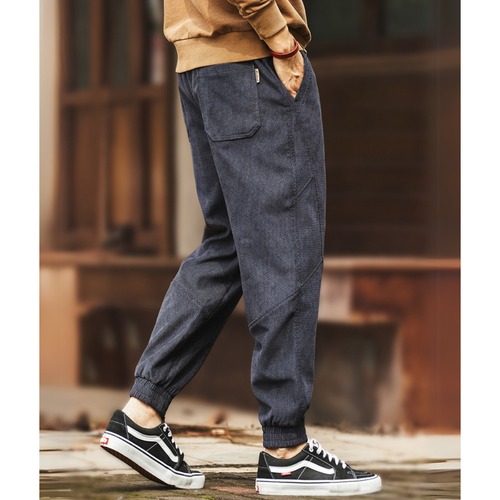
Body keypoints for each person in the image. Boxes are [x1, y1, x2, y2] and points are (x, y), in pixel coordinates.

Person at [100, 0, 381, 496]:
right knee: (286, 245)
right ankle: (287, 452)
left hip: (203, 67)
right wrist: (280, 39)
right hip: (253, 61)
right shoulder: (267, 46)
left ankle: (142, 413)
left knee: (228, 243)